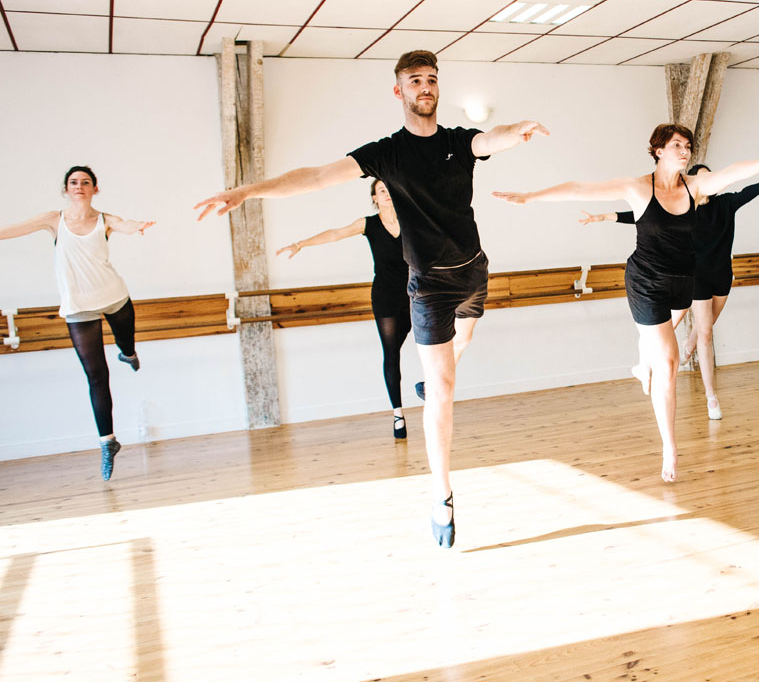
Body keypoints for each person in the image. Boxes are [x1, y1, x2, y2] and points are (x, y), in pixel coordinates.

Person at [196, 50, 549, 548]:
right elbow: (315, 176)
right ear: (398, 91)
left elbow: (494, 136)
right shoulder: (385, 154)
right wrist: (249, 191)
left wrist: (518, 131)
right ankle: (442, 494)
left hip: (473, 272)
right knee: (444, 393)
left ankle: (434, 376)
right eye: (414, 81)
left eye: (431, 80)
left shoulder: (457, 142)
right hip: (427, 286)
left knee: (461, 344)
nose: (424, 87)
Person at [493, 124, 759, 482]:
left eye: (687, 146)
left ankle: (642, 364)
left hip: (683, 281)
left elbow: (732, 174)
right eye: (676, 145)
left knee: (657, 346)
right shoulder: (637, 188)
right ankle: (670, 447)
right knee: (667, 362)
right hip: (646, 282)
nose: (684, 151)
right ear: (658, 150)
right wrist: (531, 196)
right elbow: (580, 189)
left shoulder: (694, 187)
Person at [579, 164, 759, 420]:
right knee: (705, 333)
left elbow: (745, 193)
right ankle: (711, 397)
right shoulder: (685, 207)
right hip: (694, 277)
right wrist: (607, 217)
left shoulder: (725, 204)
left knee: (704, 329)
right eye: (702, 177)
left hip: (721, 275)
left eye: (711, 177)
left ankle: (687, 346)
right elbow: (642, 215)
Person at [0, 166, 154, 480]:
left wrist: (138, 226)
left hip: (113, 296)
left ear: (95, 189)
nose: (79, 186)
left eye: (85, 182)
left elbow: (125, 224)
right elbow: (14, 229)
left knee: (126, 345)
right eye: (74, 182)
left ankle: (128, 352)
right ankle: (108, 442)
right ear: (66, 189)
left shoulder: (104, 219)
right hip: (79, 307)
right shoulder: (54, 220)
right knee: (97, 376)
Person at [277, 179, 414, 438]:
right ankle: (398, 415)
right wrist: (300, 244)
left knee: (413, 341)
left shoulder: (411, 219)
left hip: (413, 294)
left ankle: (427, 388)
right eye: (381, 191)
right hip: (384, 295)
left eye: (389, 189)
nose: (386, 194)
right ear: (374, 198)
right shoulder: (369, 224)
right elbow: (335, 233)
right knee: (391, 354)